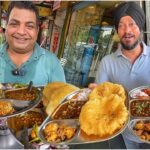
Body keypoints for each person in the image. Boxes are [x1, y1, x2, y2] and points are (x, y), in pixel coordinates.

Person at [89, 2, 150, 149]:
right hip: (121, 133)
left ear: (140, 27)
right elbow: (100, 101)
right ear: (116, 30)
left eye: (132, 24)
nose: (127, 30)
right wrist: (95, 95)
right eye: (121, 25)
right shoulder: (106, 62)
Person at [0, 1, 65, 86]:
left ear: (37, 31)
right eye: (14, 24)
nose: (21, 32)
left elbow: (62, 97)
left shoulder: (52, 63)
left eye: (29, 26)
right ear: (6, 26)